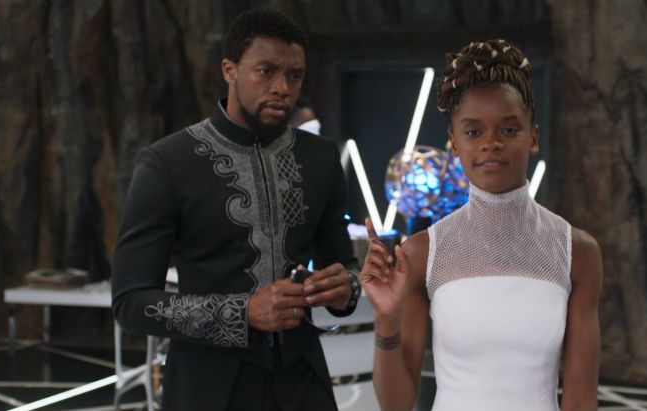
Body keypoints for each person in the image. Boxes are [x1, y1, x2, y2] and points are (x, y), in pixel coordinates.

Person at [111, 9, 361, 411]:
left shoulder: (320, 157)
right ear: (229, 70)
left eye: (294, 75)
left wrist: (344, 287)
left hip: (302, 382)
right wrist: (242, 312)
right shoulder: (167, 163)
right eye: (266, 71)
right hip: (207, 389)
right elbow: (131, 302)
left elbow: (344, 265)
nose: (282, 87)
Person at [361, 39, 602, 411]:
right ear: (454, 143)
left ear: (533, 136)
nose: (492, 144)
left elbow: (581, 401)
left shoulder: (576, 252)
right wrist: (386, 320)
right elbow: (396, 404)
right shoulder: (422, 253)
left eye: (509, 130)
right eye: (474, 132)